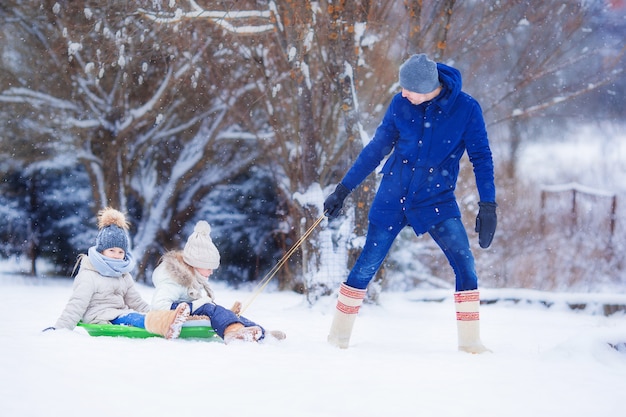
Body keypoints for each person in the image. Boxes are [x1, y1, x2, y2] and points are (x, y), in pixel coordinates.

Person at [323, 53, 497, 353]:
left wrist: (488, 205)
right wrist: (343, 189)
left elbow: (481, 158)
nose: (402, 93)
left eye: (408, 89)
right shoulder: (400, 104)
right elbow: (376, 149)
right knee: (366, 265)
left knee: (465, 265)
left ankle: (471, 344)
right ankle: (337, 339)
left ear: (429, 87)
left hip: (436, 200)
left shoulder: (466, 109)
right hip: (392, 195)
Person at [46, 207, 190, 339]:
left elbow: (136, 301)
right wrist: (61, 328)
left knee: (135, 316)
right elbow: (77, 304)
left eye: (121, 252)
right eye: (112, 251)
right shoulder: (89, 274)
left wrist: (155, 312)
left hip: (121, 314)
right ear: (101, 250)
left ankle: (169, 319)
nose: (116, 255)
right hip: (100, 316)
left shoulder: (123, 274)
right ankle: (166, 325)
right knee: (133, 318)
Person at [151, 220, 286, 344]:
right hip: (173, 317)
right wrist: (197, 305)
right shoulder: (174, 280)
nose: (211, 272)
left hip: (185, 311)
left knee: (220, 311)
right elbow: (158, 306)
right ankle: (233, 333)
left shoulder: (192, 278)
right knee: (209, 307)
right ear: (195, 264)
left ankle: (262, 334)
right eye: (209, 268)